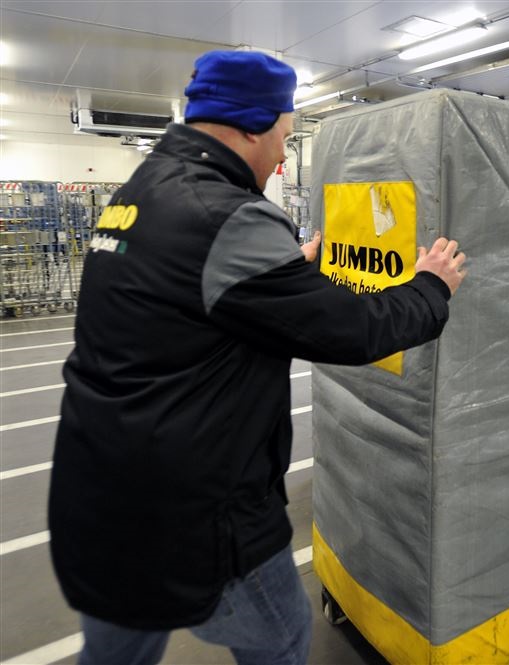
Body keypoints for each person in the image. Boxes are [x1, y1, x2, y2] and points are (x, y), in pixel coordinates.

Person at [48, 50, 466, 665]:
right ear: (251, 126)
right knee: (282, 640)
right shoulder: (231, 217)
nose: (282, 158)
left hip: (99, 488)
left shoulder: (140, 190)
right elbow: (349, 332)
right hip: (195, 512)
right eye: (284, 136)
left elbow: (187, 293)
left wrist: (278, 274)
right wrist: (430, 286)